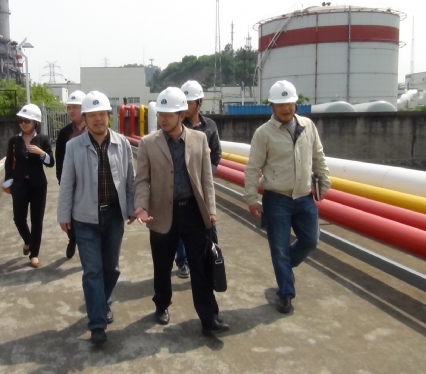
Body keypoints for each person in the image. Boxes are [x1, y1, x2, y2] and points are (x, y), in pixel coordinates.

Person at [133, 87, 229, 336]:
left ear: (182, 114)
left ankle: (209, 317)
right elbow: (142, 180)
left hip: (193, 212)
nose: (162, 118)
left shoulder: (199, 139)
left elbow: (206, 178)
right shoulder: (148, 143)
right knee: (162, 264)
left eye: (168, 114)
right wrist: (141, 206)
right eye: (160, 113)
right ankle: (161, 304)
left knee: (200, 265)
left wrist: (211, 209)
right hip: (161, 213)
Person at [243, 80, 331, 313]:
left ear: (296, 103)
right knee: (279, 248)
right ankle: (285, 293)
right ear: (271, 106)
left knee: (310, 240)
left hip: (304, 196)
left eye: (289, 103)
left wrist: (324, 180)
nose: (286, 108)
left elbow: (318, 156)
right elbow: (253, 168)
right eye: (280, 104)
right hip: (277, 199)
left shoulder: (308, 126)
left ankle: (284, 266)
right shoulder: (264, 133)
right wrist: (251, 198)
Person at [57, 91, 136, 344]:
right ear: (85, 118)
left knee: (111, 269)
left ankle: (101, 301)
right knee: (92, 270)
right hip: (84, 219)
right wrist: (63, 214)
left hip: (114, 215)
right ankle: (97, 325)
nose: (98, 119)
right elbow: (67, 183)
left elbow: (130, 181)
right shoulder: (73, 146)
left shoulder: (122, 144)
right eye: (92, 115)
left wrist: (132, 208)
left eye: (102, 114)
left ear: (108, 116)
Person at [173, 80, 222, 279]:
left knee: (207, 227)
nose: (185, 106)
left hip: (201, 188)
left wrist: (206, 173)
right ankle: (182, 261)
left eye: (190, 102)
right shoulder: (176, 125)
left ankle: (207, 262)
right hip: (181, 186)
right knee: (179, 228)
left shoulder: (209, 126)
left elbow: (216, 154)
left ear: (199, 103)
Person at [4, 103, 55, 269]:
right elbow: (8, 163)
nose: (23, 124)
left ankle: (34, 254)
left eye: (27, 121)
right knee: (19, 218)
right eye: (21, 120)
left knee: (37, 221)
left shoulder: (43, 139)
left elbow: (51, 162)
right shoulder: (14, 141)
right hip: (19, 184)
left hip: (38, 185)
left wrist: (41, 153)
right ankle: (28, 240)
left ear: (35, 122)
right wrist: (8, 181)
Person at [55, 90, 87, 259]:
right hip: (71, 182)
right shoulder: (64, 133)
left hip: (90, 182)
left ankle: (82, 242)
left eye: (75, 107)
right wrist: (62, 180)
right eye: (69, 107)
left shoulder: (93, 129)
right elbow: (59, 159)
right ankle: (72, 238)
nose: (71, 111)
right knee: (70, 214)